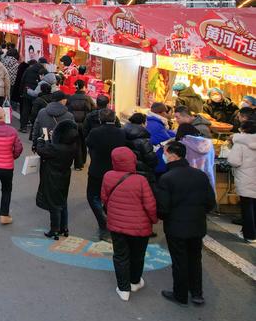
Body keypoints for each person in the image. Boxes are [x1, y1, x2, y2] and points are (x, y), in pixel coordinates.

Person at [155, 141, 216, 306]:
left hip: (176, 226)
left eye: (165, 152)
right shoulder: (200, 175)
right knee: (195, 259)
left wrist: (164, 217)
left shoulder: (167, 178)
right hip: (197, 225)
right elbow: (210, 202)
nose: (164, 155)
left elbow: (163, 208)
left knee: (179, 260)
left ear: (172, 155)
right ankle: (197, 293)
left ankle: (180, 294)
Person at [101, 147, 158, 301]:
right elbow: (150, 205)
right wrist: (154, 220)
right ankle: (135, 281)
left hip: (117, 225)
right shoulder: (140, 180)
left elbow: (104, 198)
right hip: (140, 227)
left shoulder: (108, 176)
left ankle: (123, 288)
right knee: (137, 255)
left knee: (120, 256)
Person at [85, 109, 127, 242]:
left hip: (97, 169)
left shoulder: (95, 132)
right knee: (110, 197)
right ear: (114, 119)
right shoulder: (121, 133)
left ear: (100, 119)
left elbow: (88, 143)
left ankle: (104, 224)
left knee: (93, 196)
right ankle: (109, 219)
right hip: (115, 170)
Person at [35, 119, 78, 239]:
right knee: (63, 201)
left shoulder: (55, 148)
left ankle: (54, 229)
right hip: (65, 176)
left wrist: (40, 140)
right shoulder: (72, 146)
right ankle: (64, 227)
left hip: (52, 177)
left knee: (54, 204)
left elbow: (41, 151)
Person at [227, 120, 256, 243]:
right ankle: (248, 232)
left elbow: (234, 161)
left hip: (246, 178)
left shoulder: (239, 143)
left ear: (243, 129)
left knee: (247, 207)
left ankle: (250, 235)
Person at [175, 123, 216, 189]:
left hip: (188, 178)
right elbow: (212, 160)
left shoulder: (181, 144)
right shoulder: (208, 143)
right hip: (206, 175)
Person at [66, 80, 94, 170]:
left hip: (73, 124)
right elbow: (93, 109)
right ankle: (82, 161)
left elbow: (67, 110)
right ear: (83, 87)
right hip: (84, 124)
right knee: (83, 143)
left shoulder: (71, 98)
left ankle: (77, 162)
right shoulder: (88, 98)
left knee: (76, 143)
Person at [124, 113, 159, 182]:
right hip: (142, 172)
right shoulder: (143, 140)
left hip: (126, 171)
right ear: (142, 123)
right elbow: (152, 160)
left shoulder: (122, 133)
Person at [147, 102, 177, 175]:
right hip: (157, 157)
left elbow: (165, 132)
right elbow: (165, 138)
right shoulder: (156, 124)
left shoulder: (151, 121)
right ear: (162, 113)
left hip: (151, 155)